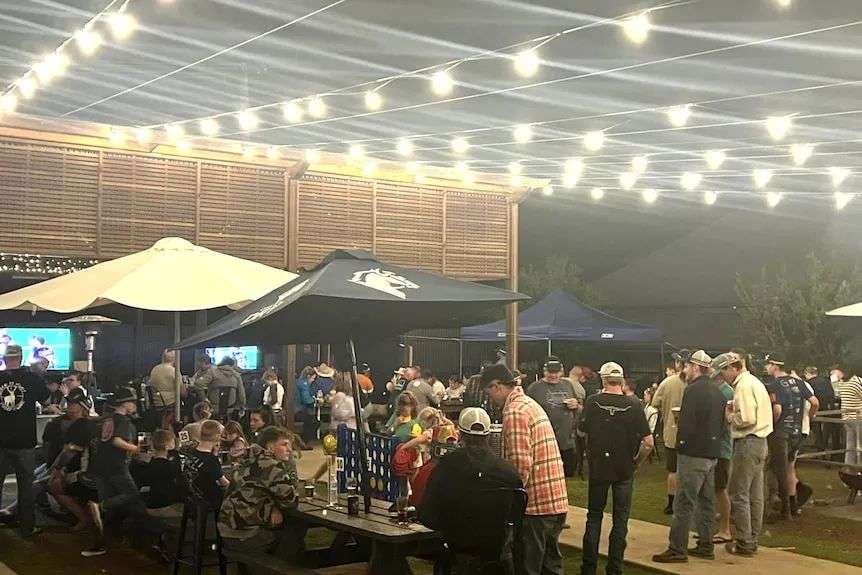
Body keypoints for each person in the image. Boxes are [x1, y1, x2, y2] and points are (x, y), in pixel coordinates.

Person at [480, 364, 568, 575]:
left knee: (527, 567)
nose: (491, 398)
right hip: (555, 501)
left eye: (489, 392)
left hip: (536, 506)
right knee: (550, 567)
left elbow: (520, 467)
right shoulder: (529, 404)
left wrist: (508, 503)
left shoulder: (515, 411)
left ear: (497, 386)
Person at [419, 407, 524, 575]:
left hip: (456, 556)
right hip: (498, 559)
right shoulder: (508, 472)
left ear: (460, 434)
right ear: (489, 436)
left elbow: (427, 515)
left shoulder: (447, 466)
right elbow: (517, 517)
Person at [578, 362, 653, 575]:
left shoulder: (593, 402)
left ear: (603, 379)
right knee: (620, 519)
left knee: (594, 516)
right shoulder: (635, 405)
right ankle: (614, 568)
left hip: (599, 466)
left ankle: (588, 568)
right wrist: (636, 462)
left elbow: (582, 432)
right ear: (622, 380)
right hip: (624, 468)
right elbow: (648, 443)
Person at [653, 351, 727, 563]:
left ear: (696, 367)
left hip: (693, 453)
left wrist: (680, 446)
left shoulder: (693, 391)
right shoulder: (718, 391)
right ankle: (705, 544)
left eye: (687, 366)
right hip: (711, 453)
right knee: (706, 502)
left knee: (683, 503)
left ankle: (677, 548)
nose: (684, 370)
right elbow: (722, 424)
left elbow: (686, 423)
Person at [85, 386, 170, 558]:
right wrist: (136, 449)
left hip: (100, 467)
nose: (135, 406)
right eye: (133, 402)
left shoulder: (106, 420)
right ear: (125, 404)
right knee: (132, 495)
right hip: (116, 466)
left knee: (110, 509)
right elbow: (117, 441)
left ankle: (101, 543)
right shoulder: (123, 421)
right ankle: (100, 507)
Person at [714, 352, 773, 557]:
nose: (723, 377)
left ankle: (744, 542)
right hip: (761, 442)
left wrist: (730, 416)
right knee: (755, 495)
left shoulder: (743, 385)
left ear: (733, 368)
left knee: (739, 494)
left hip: (747, 441)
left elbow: (747, 418)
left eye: (723, 371)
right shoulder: (754, 381)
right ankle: (752, 538)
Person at [218, 426, 300, 556]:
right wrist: (275, 505)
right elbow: (291, 501)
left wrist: (272, 505)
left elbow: (257, 490)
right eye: (284, 445)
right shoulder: (272, 467)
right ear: (270, 446)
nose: (289, 450)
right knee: (294, 532)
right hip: (246, 535)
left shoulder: (248, 459)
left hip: (225, 531)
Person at [0, 344, 49, 537]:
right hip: (25, 441)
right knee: (26, 487)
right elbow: (45, 401)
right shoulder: (32, 378)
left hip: (1, 440)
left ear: (4, 359)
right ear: (20, 359)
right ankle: (27, 528)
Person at [763, 355, 818, 522]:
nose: (766, 368)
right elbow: (814, 402)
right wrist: (810, 417)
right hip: (796, 433)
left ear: (774, 366)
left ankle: (784, 510)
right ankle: (787, 506)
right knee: (787, 468)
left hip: (780, 433)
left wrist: (771, 424)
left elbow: (777, 409)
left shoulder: (774, 385)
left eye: (768, 364)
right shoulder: (799, 382)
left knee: (778, 470)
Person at [45, 389, 100, 531]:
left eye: (73, 404)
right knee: (41, 478)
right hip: (94, 471)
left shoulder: (81, 425)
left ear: (82, 407)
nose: (69, 407)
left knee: (52, 485)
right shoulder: (89, 423)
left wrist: (57, 470)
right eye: (68, 403)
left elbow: (69, 452)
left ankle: (84, 519)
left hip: (87, 474)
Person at [650, 349, 689, 515]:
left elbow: (654, 403)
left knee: (673, 471)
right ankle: (687, 503)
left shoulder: (667, 382)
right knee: (689, 470)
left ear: (679, 364)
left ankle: (671, 504)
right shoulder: (696, 383)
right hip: (692, 436)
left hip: (671, 433)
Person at [527, 358, 580, 478]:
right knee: (547, 473)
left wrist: (575, 404)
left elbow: (578, 405)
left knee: (568, 473)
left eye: (556, 372)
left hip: (566, 439)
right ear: (544, 372)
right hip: (544, 437)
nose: (553, 375)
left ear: (561, 372)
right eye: (550, 372)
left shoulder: (567, 384)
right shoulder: (534, 388)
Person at [179, 420, 230, 510]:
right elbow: (224, 483)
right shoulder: (211, 460)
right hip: (207, 498)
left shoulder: (190, 453)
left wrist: (214, 453)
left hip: (191, 495)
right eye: (222, 436)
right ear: (218, 436)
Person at [712, 358, 735, 543]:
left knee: (721, 489)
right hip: (711, 446)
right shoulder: (715, 391)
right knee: (712, 489)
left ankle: (725, 529)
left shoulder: (727, 392)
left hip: (722, 448)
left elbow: (727, 421)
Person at [803, 366, 838, 453]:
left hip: (817, 409)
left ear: (807, 373)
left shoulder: (808, 383)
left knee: (817, 430)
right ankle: (832, 452)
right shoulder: (826, 381)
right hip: (829, 408)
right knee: (829, 431)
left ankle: (820, 449)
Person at [833, 365, 862, 466]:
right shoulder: (855, 382)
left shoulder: (842, 384)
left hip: (846, 418)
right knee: (857, 445)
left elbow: (837, 394)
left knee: (850, 446)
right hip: (858, 418)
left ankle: (849, 467)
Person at [149, 350, 180, 427]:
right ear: (176, 358)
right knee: (190, 402)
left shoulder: (154, 369)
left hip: (156, 403)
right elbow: (183, 392)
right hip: (169, 404)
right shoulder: (174, 371)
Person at [294, 366, 318, 445]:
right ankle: (305, 441)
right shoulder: (304, 384)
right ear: (308, 376)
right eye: (313, 378)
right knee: (313, 421)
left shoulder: (299, 382)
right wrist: (315, 400)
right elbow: (306, 400)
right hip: (298, 410)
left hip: (296, 409)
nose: (313, 381)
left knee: (311, 420)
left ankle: (304, 441)